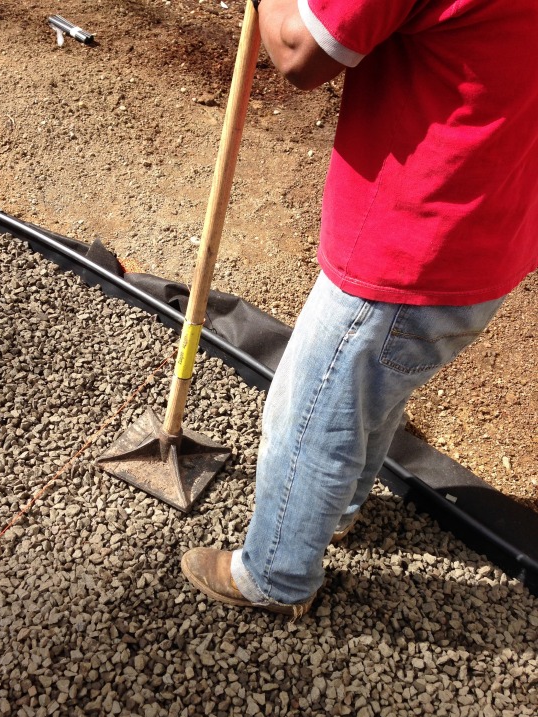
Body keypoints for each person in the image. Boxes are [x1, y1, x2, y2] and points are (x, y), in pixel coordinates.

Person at [181, 0, 538, 617]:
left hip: (410, 244)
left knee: (313, 414)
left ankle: (276, 574)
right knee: (372, 395)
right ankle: (336, 510)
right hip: (489, 235)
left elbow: (298, 50)